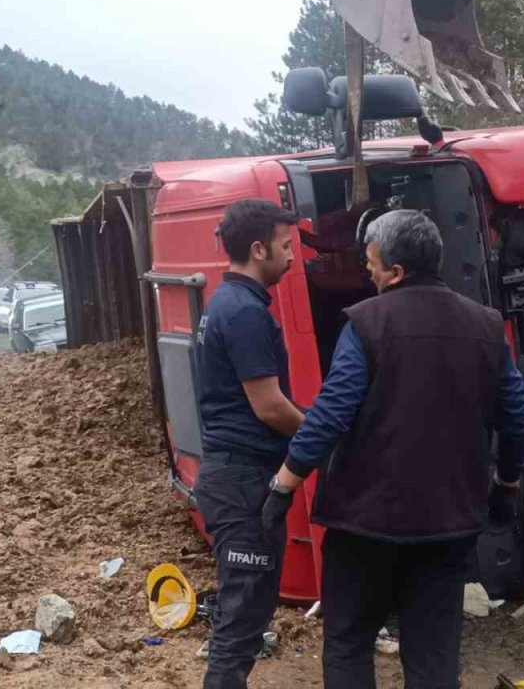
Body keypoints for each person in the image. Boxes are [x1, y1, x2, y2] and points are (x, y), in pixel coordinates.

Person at [263, 209, 524, 689]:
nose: (366, 270)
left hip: (364, 521)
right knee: (433, 654)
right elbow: (518, 421)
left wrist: (284, 484)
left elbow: (332, 412)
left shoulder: (367, 323)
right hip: (448, 524)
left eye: (370, 261)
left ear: (395, 272)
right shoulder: (485, 326)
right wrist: (506, 483)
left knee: (349, 644)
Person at [195, 199, 305, 689]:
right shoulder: (243, 313)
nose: (292, 257)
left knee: (250, 613)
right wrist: (324, 434)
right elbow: (270, 408)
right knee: (241, 621)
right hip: (242, 483)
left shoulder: (229, 302)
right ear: (258, 249)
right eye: (286, 247)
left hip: (237, 476)